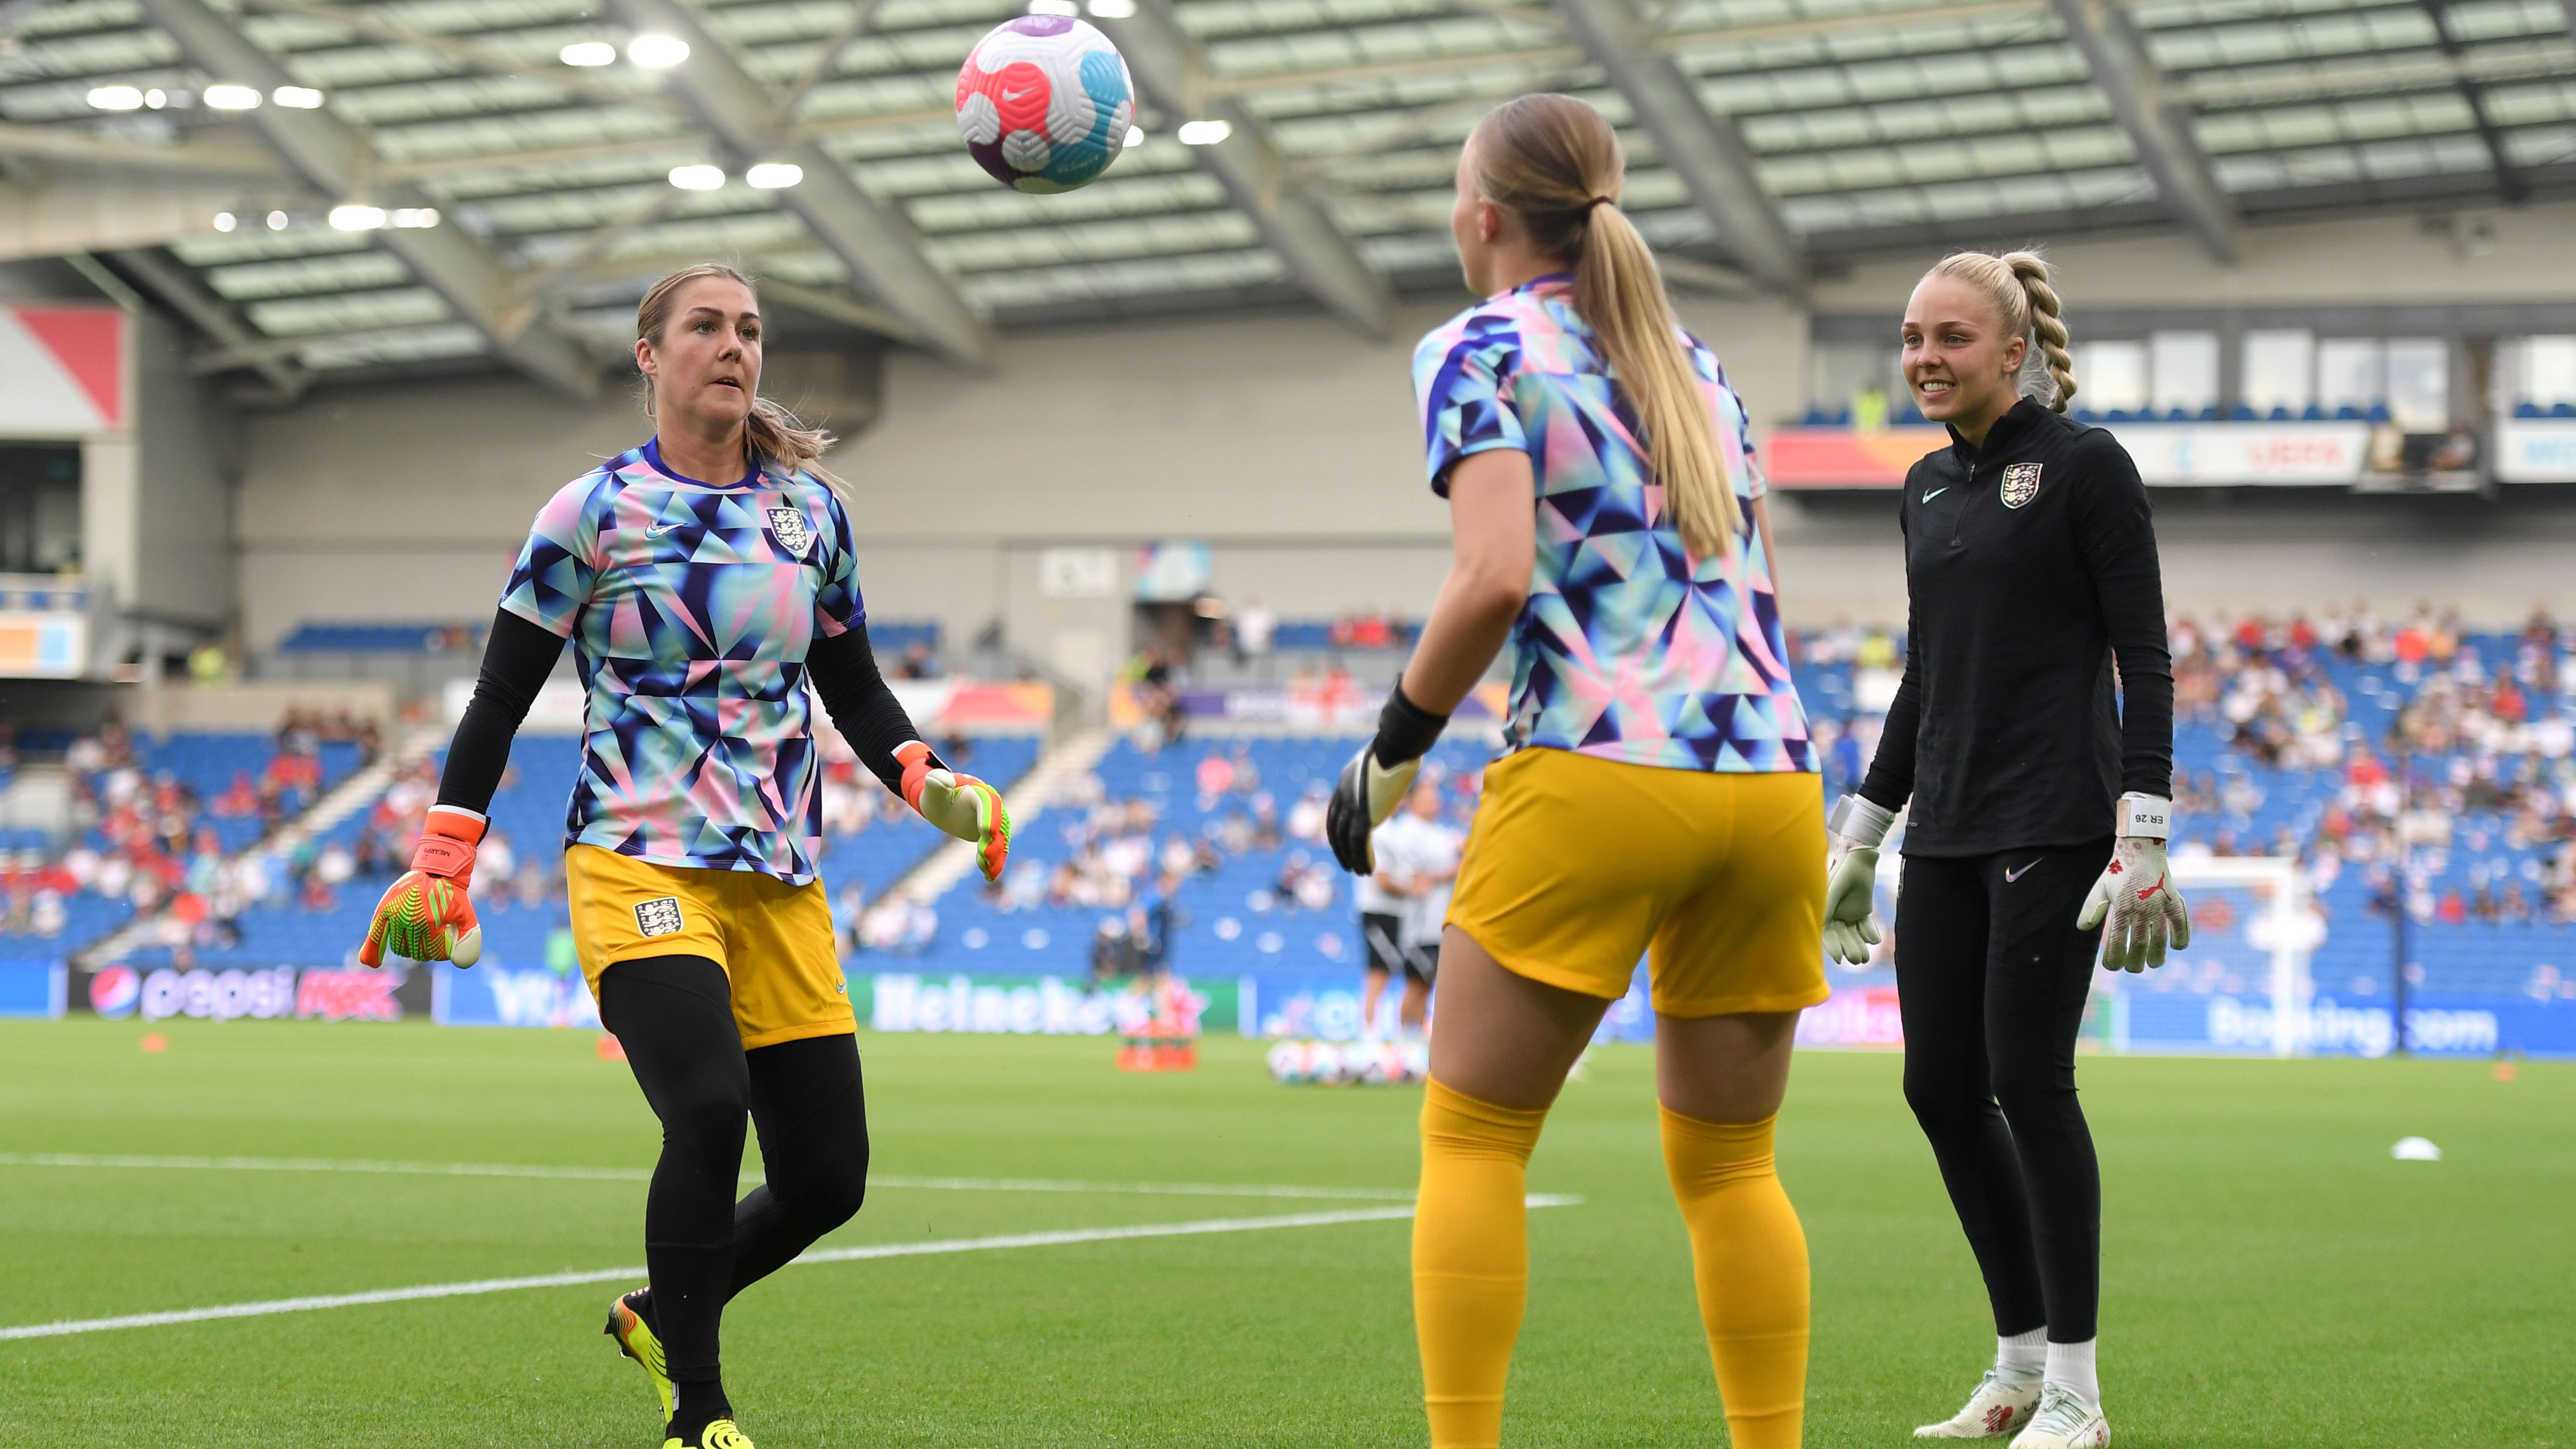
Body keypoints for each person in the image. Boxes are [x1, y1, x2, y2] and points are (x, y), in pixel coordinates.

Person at [355, 262, 1012, 1449]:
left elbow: (854, 687)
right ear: (650, 355)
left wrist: (929, 779)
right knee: (708, 1107)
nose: (733, 346)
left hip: (779, 878)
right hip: (636, 857)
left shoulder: (809, 516)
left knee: (827, 1181)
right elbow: (500, 696)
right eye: (705, 326)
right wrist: (444, 853)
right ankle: (696, 1410)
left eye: (749, 329)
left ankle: (658, 1314)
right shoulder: (591, 511)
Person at [1326, 93, 1825, 1449]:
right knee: (1733, 1167)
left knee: (1474, 1139)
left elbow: (1492, 576)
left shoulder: (1478, 345)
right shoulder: (1697, 366)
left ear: (1484, 214)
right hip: (1770, 777)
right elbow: (1763, 599)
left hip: (1603, 769)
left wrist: (1392, 748)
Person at [1818, 250, 2190, 1449]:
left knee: (2028, 1081)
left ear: (2013, 350)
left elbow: (2144, 653)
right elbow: (1924, 675)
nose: (1924, 358)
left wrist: (2143, 825)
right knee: (1937, 1088)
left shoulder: (2085, 465)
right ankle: (2019, 1366)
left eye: (1950, 338)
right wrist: (1862, 832)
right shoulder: (1923, 485)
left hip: (2055, 818)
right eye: (1911, 338)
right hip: (1947, 827)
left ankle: (2077, 1390)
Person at [1374, 780, 1461, 1041]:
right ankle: (1402, 1036)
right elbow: (1412, 876)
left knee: (1427, 983)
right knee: (1416, 981)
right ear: (1412, 801)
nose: (1435, 803)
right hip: (1416, 923)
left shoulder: (1441, 833)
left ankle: (1416, 1036)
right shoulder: (1405, 833)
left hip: (1438, 922)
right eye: (1428, 798)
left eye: (1436, 798)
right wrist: (1450, 871)